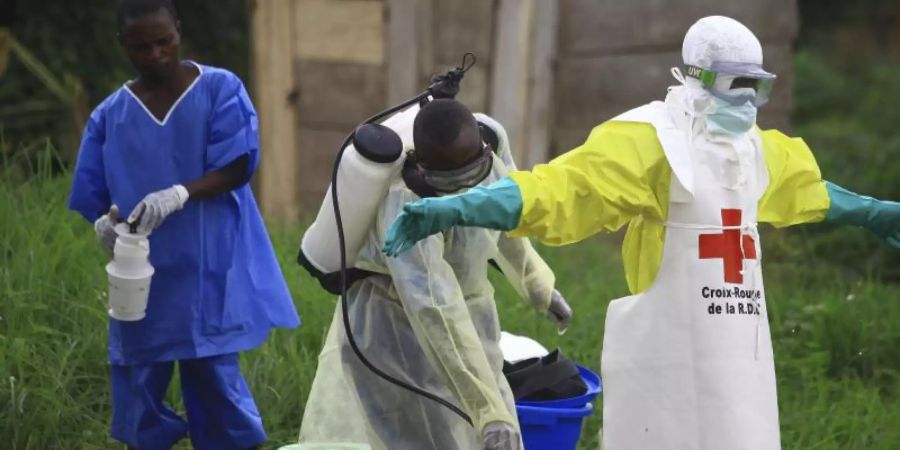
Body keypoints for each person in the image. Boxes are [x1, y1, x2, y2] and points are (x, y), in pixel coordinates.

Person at [383, 16, 900, 450]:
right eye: (735, 85)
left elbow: (808, 191)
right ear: (697, 78)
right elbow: (561, 190)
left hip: (742, 360)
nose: (747, 102)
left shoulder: (755, 152)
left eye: (757, 86)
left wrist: (873, 212)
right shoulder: (652, 141)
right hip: (668, 359)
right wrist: (458, 207)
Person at [67, 1, 299, 448]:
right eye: (141, 47)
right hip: (141, 271)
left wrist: (179, 193)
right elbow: (97, 194)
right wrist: (105, 222)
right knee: (138, 375)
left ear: (178, 30)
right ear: (123, 46)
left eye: (164, 41)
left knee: (213, 373)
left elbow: (237, 166)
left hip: (205, 260)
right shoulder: (110, 115)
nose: (155, 54)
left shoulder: (219, 89)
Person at [296, 100, 572, 450]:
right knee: (427, 440)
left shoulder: (491, 144)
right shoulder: (405, 205)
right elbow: (434, 306)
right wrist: (489, 411)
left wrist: (538, 286)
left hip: (469, 318)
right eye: (449, 179)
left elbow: (504, 216)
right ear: (422, 168)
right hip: (394, 333)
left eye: (470, 173)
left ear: (484, 148)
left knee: (485, 427)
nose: (463, 188)